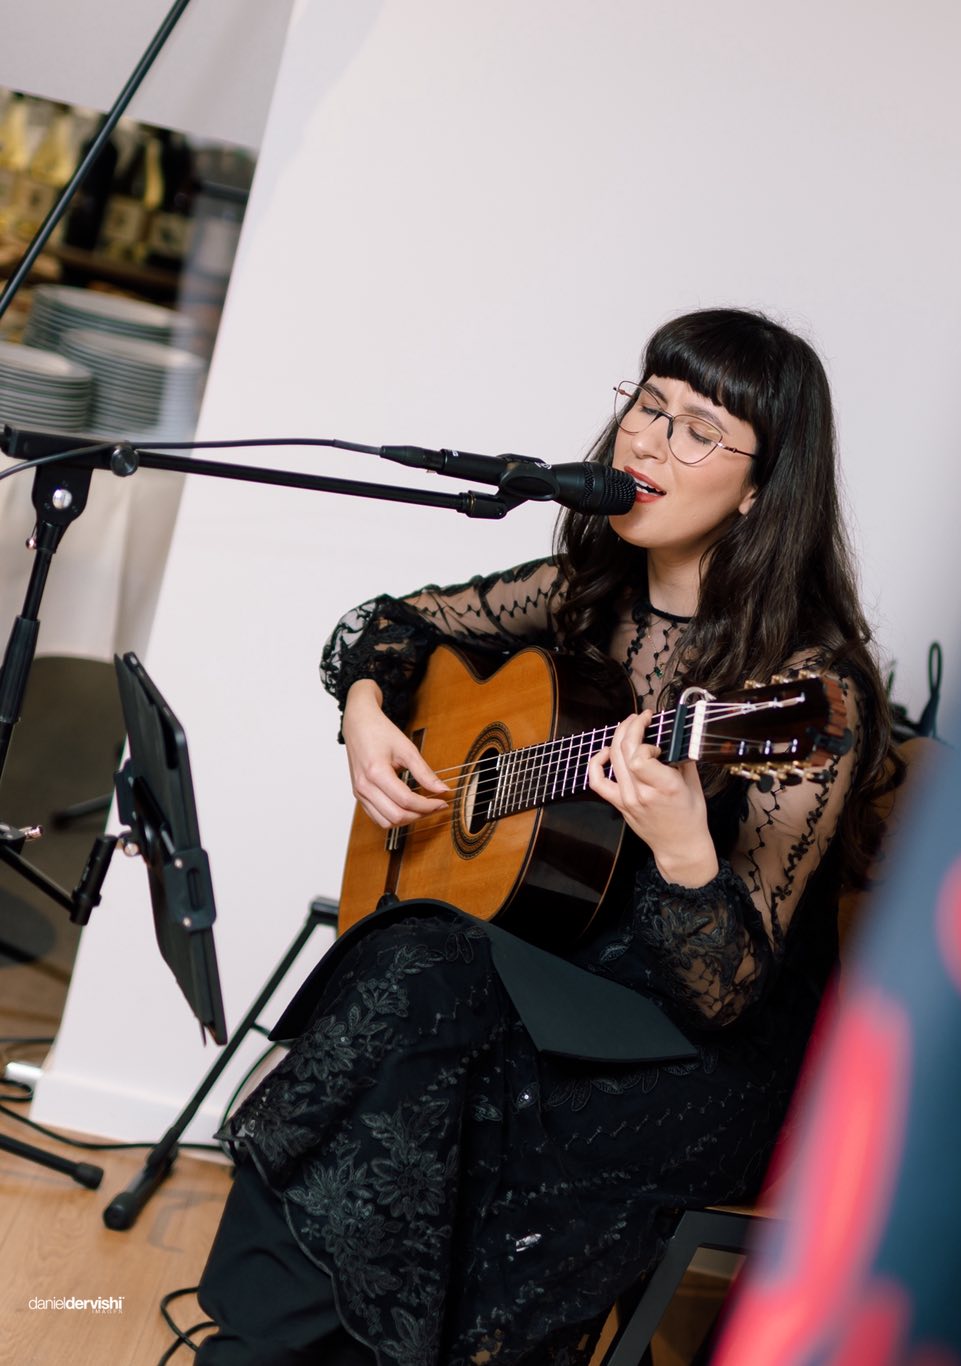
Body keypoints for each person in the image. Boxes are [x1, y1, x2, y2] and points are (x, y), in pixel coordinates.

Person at [193, 308, 899, 1365]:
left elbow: (728, 993)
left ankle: (266, 1349)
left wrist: (682, 848)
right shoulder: (586, 593)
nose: (648, 442)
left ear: (762, 489)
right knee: (412, 969)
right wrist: (368, 714)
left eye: (698, 430)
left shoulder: (806, 694)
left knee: (413, 982)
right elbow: (391, 622)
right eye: (648, 406)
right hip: (548, 977)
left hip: (686, 1055)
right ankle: (265, 1347)